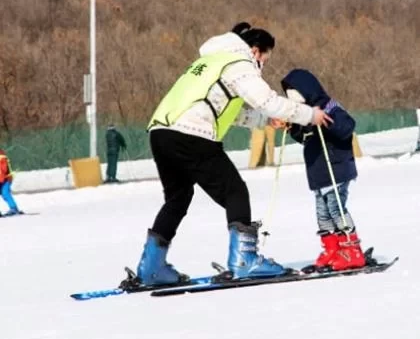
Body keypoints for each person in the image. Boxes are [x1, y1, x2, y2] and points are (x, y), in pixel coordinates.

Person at [133, 22, 332, 286]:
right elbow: (267, 100)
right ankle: (244, 260)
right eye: (264, 59)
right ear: (255, 49)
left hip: (161, 132)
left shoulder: (211, 61)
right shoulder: (239, 61)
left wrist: (265, 120)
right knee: (235, 192)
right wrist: (310, 115)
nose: (262, 66)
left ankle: (152, 267)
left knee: (178, 198)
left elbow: (226, 107)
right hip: (191, 133)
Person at [277, 68, 366, 271]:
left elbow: (347, 127)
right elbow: (305, 139)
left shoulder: (329, 106)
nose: (291, 96)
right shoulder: (306, 115)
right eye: (288, 92)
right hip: (319, 173)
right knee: (323, 214)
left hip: (336, 169)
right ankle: (332, 249)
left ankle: (351, 249)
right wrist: (292, 129)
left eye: (295, 91)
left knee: (336, 210)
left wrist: (327, 122)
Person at [0, 149, 23, 217]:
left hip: (6, 179)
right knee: (5, 194)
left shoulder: (2, 158)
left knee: (5, 193)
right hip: (2, 179)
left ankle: (14, 208)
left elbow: (3, 171)